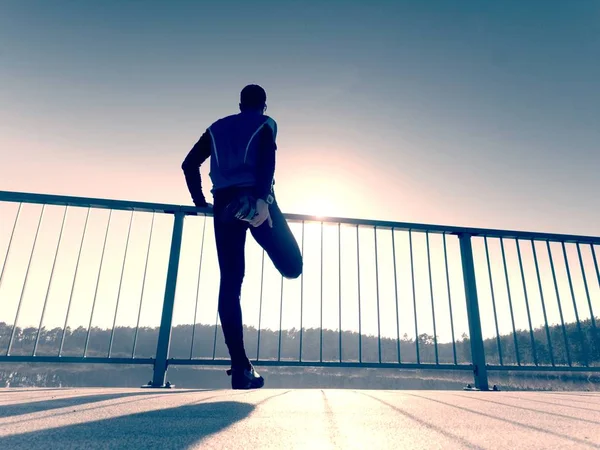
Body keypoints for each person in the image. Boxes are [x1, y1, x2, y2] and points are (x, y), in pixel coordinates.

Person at [181, 84, 303, 389]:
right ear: (263, 105)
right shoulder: (266, 123)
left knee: (231, 283)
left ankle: (240, 367)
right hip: (256, 203)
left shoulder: (216, 127)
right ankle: (241, 367)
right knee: (293, 266)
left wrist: (200, 202)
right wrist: (263, 199)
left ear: (239, 104)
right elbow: (267, 159)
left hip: (223, 206)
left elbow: (188, 164)